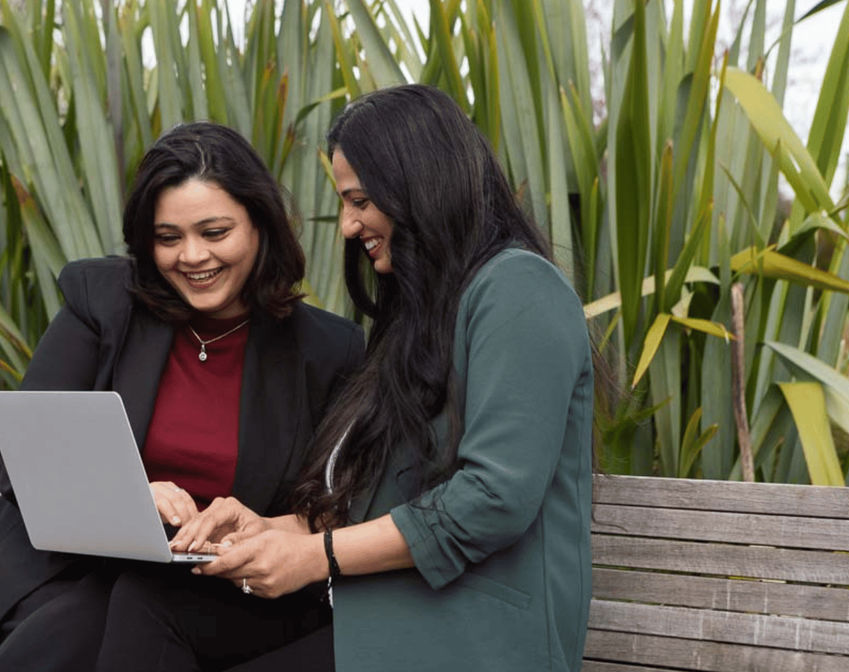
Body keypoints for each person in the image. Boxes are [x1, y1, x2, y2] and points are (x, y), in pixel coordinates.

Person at [112, 84, 593, 671]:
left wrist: (317, 556)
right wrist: (276, 528)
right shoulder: (421, 317)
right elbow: (392, 492)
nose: (347, 224)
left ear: (419, 188)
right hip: (384, 615)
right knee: (150, 601)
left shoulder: (520, 290)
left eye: (360, 200)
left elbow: (491, 501)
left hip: (472, 638)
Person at [0, 121, 366, 672]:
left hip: (216, 593)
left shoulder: (326, 349)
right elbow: (23, 460)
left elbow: (334, 505)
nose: (192, 256)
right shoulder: (103, 302)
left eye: (215, 232)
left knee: (129, 616)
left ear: (260, 225)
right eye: (169, 238)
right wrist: (131, 491)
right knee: (86, 623)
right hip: (70, 570)